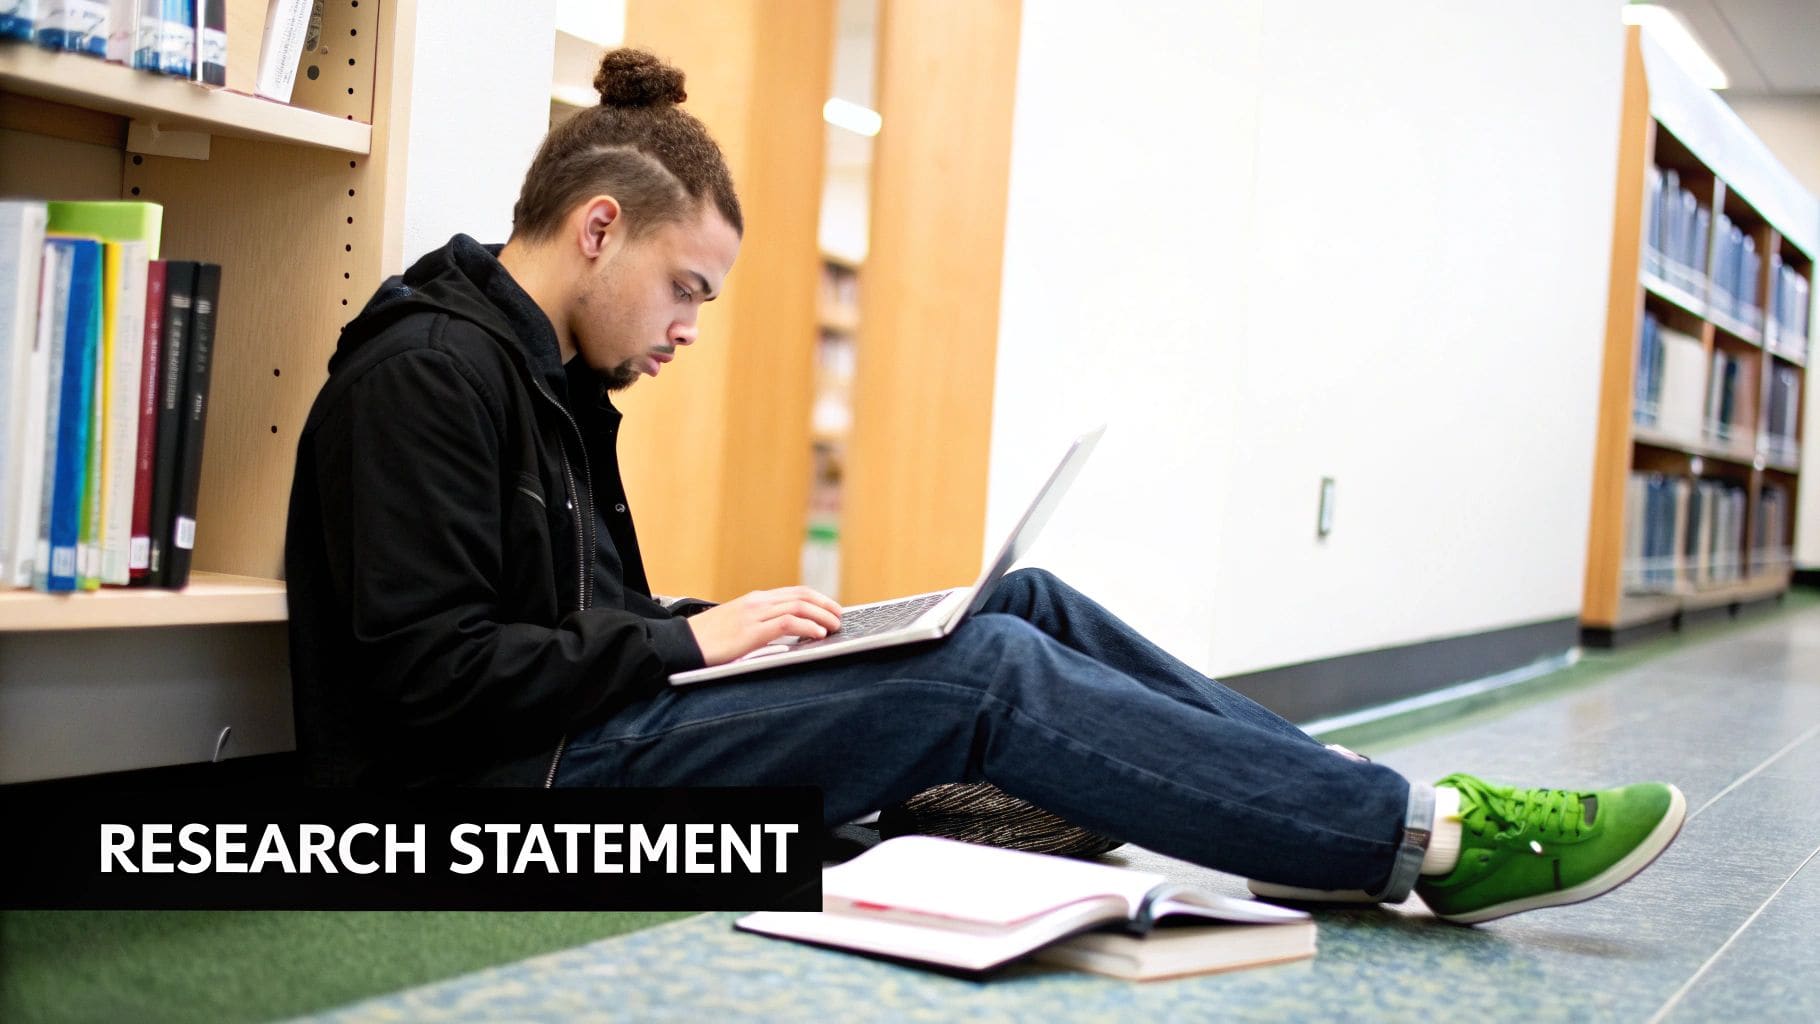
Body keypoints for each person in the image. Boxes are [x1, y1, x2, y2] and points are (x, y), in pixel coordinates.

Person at [284, 48, 1684, 925]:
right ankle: (1423, 843)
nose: (689, 328)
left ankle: (1355, 805)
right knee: (990, 676)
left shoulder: (553, 385)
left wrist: (719, 629)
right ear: (600, 229)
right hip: (491, 803)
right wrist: (680, 642)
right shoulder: (424, 378)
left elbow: (559, 624)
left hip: (577, 737)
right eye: (684, 287)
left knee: (1009, 603)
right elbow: (431, 683)